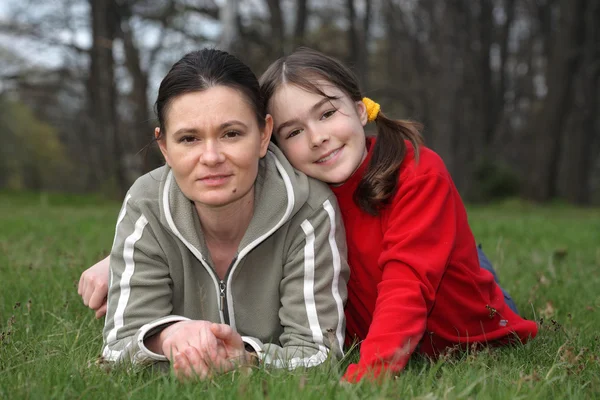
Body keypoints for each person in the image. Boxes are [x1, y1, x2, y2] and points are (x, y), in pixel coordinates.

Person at [80, 47, 538, 382]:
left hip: (460, 319)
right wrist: (120, 259)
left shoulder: (399, 177)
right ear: (276, 142)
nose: (318, 138)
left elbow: (407, 285)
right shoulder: (312, 189)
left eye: (328, 113)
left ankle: (474, 259)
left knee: (451, 264)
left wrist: (367, 379)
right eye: (296, 130)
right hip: (371, 309)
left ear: (361, 111)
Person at [87, 48, 349, 380]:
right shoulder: (146, 204)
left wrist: (247, 359)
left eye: (231, 134)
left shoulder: (309, 209)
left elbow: (319, 357)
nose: (211, 157)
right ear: (165, 147)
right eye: (189, 138)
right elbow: (116, 349)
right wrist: (168, 337)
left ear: (264, 135)